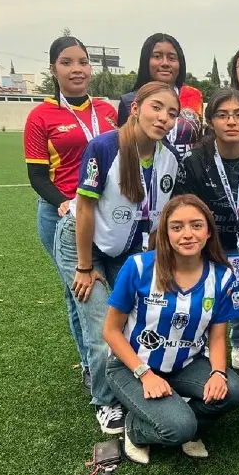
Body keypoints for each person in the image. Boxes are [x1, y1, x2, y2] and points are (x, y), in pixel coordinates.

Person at [54, 82, 180, 434]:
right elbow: (85, 211)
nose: (165, 118)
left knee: (126, 321)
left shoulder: (168, 156)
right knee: (99, 324)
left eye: (172, 113)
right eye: (157, 107)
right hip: (81, 243)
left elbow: (156, 217)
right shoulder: (104, 147)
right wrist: (84, 266)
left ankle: (106, 376)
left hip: (125, 246)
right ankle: (105, 402)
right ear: (136, 107)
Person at [104, 194, 239, 464]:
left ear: (208, 232)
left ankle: (184, 418)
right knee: (178, 428)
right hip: (132, 367)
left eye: (196, 225)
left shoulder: (223, 277)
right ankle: (136, 430)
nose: (187, 234)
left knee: (233, 391)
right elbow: (110, 331)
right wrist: (145, 375)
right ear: (165, 233)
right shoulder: (139, 267)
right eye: (177, 227)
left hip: (185, 364)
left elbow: (217, 337)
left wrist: (217, 373)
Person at [24, 36, 117, 390]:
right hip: (60, 214)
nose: (76, 69)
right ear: (53, 69)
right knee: (77, 290)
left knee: (104, 283)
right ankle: (90, 366)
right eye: (67, 62)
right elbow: (36, 175)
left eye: (82, 62)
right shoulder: (40, 116)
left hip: (106, 215)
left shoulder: (108, 111)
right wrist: (65, 202)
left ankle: (108, 359)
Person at [173, 88, 239, 371]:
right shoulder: (195, 161)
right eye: (222, 115)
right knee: (220, 297)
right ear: (211, 121)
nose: (231, 121)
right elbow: (184, 213)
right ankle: (238, 341)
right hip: (212, 246)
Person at [118, 33, 202, 156]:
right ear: (146, 61)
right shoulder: (129, 101)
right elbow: (124, 146)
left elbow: (199, 139)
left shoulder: (194, 96)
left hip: (189, 172)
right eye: (157, 56)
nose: (165, 63)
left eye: (172, 58)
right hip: (147, 171)